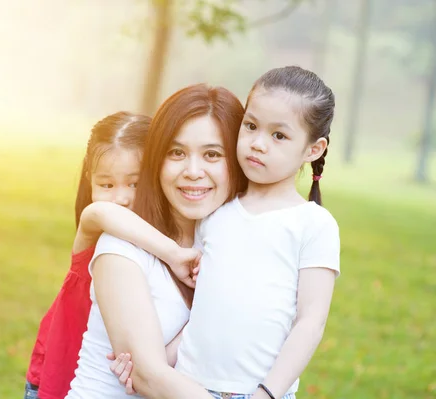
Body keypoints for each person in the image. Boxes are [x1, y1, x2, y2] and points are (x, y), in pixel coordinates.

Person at [110, 66, 341, 399]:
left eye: (279, 135)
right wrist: (151, 365)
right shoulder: (216, 214)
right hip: (187, 387)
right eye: (250, 126)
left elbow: (309, 323)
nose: (258, 144)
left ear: (313, 149)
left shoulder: (313, 225)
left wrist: (267, 393)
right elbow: (204, 312)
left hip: (258, 393)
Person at [66, 83, 247, 398]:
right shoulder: (120, 248)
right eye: (177, 152)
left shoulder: (225, 244)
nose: (193, 171)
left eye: (212, 154)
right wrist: (151, 370)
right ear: (156, 161)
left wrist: (160, 361)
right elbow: (149, 379)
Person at [24, 111, 198, 399]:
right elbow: (99, 211)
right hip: (56, 375)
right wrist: (173, 254)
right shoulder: (101, 232)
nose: (121, 198)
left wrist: (153, 364)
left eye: (135, 183)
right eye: (106, 185)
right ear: (89, 182)